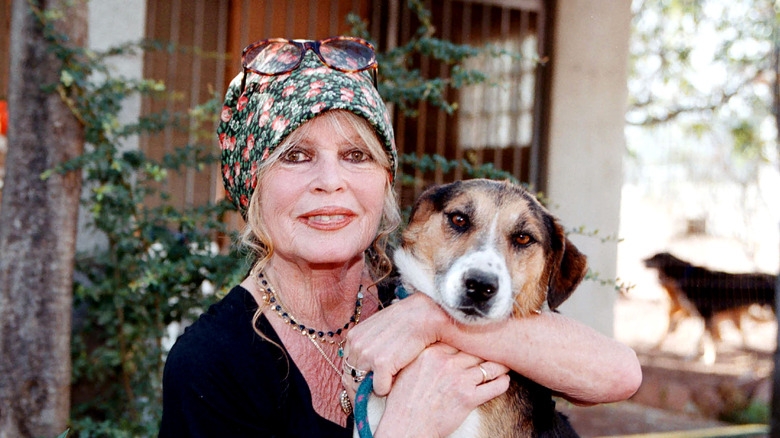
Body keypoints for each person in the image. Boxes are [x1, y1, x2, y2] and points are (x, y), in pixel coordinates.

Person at [159, 36, 641, 438]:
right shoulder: (210, 365)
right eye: (295, 156)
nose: (331, 181)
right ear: (251, 186)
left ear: (386, 181)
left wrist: (431, 320)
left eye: (356, 155)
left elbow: (618, 374)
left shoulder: (412, 295)